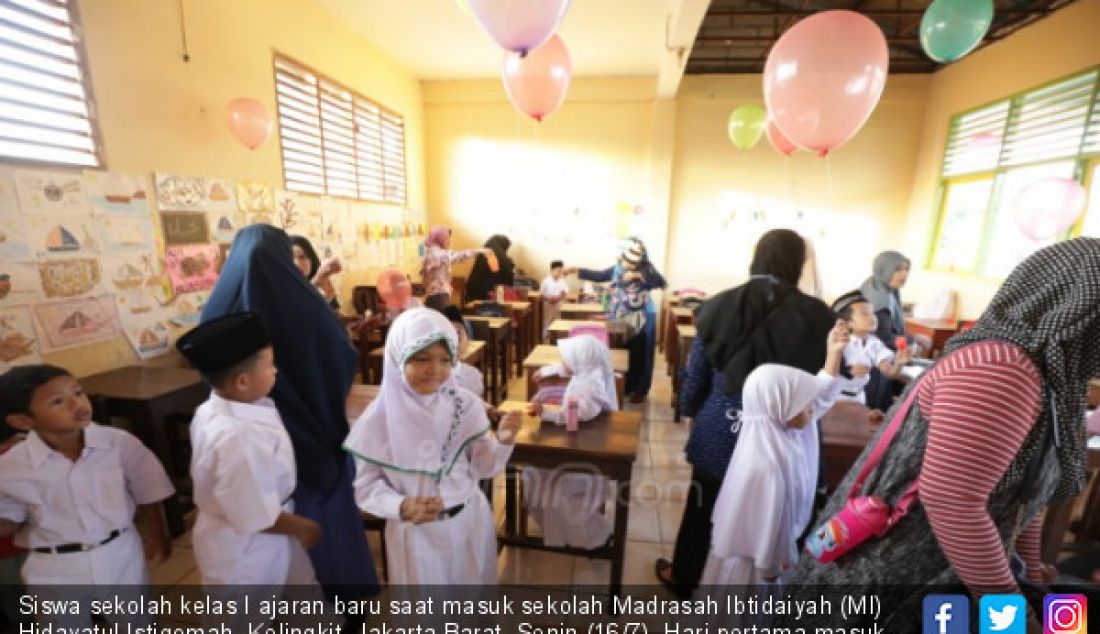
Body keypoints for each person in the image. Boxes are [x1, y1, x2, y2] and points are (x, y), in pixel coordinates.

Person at [791, 238, 1100, 632]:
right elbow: (953, 503)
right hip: (893, 581)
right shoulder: (1002, 368)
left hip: (946, 578)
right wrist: (1013, 620)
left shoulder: (1049, 374)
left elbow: (1027, 493)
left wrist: (1028, 569)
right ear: (1080, 309)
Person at [657, 229, 837, 596]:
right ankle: (763, 592)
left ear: (757, 255)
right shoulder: (818, 315)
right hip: (782, 432)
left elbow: (698, 372)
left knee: (702, 507)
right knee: (771, 513)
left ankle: (685, 577)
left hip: (721, 424)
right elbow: (817, 381)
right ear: (798, 262)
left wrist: (691, 410)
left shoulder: (718, 304)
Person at [202, 224, 379, 597]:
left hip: (247, 432)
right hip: (311, 435)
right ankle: (340, 598)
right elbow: (342, 358)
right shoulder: (302, 303)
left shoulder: (218, 307)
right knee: (320, 532)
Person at [344, 308, 521, 584]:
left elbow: (483, 468)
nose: (434, 370)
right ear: (397, 359)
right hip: (415, 535)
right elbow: (365, 486)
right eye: (421, 358)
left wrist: (504, 441)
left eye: (444, 359)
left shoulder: (465, 405)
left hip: (468, 523)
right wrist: (400, 505)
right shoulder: (379, 419)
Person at [0, 365, 173, 628]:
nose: (76, 404)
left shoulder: (118, 443)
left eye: (78, 393)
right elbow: (9, 519)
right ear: (23, 421)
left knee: (136, 621)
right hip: (54, 565)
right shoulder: (12, 466)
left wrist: (157, 534)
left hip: (120, 551)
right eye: (58, 401)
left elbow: (148, 489)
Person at [177, 312, 321, 588]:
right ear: (242, 381)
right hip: (246, 543)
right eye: (270, 366)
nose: (276, 371)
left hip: (271, 524)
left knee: (301, 596)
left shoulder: (218, 407)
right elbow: (252, 514)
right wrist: (305, 526)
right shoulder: (238, 438)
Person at [702, 355, 846, 587]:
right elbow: (766, 532)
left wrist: (834, 353)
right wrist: (774, 567)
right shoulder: (766, 468)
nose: (811, 409)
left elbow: (819, 400)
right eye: (804, 404)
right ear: (779, 405)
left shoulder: (782, 437)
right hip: (756, 571)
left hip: (769, 561)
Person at [524, 335, 619, 549]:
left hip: (587, 454)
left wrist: (546, 413)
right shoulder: (587, 371)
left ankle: (579, 535)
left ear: (580, 360)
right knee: (533, 472)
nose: (564, 363)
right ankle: (549, 525)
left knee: (551, 486)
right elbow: (567, 368)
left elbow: (576, 415)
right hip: (577, 442)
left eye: (568, 358)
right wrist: (551, 370)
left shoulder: (590, 386)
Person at [565, 238, 666, 403]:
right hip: (622, 315)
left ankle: (640, 390)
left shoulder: (646, 268)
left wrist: (638, 275)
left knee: (641, 354)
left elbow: (660, 282)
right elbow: (600, 275)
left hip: (643, 317)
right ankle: (624, 386)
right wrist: (576, 270)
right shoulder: (619, 267)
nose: (624, 260)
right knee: (622, 350)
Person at [859, 251, 928, 411]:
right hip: (875, 363)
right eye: (897, 269)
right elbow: (885, 338)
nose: (904, 274)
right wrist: (912, 340)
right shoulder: (879, 299)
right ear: (884, 269)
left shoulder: (881, 287)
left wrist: (912, 339)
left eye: (906, 269)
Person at [830, 290, 910, 411]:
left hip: (859, 397)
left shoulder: (874, 344)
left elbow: (890, 373)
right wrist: (847, 371)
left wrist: (899, 363)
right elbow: (824, 371)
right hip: (836, 397)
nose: (873, 318)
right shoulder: (837, 341)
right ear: (847, 322)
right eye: (865, 313)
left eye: (873, 313)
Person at [421, 226, 489, 310]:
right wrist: (478, 251)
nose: (449, 241)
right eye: (447, 238)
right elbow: (456, 256)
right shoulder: (436, 254)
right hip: (438, 296)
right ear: (440, 239)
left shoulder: (434, 253)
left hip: (437, 295)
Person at [290, 235, 341, 311]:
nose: (297, 263)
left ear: (312, 259)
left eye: (302, 257)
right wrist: (316, 282)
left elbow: (335, 315)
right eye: (291, 258)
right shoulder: (283, 290)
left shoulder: (324, 282)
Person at [465, 234, 515, 302]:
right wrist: (510, 263)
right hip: (489, 296)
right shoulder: (499, 256)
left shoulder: (484, 253)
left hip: (474, 293)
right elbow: (506, 272)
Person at [540, 260, 570, 338]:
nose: (559, 273)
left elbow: (564, 293)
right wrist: (549, 299)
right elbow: (542, 294)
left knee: (557, 321)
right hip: (548, 305)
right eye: (557, 271)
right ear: (552, 270)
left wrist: (558, 298)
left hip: (558, 304)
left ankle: (556, 337)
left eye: (561, 271)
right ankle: (545, 338)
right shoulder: (546, 281)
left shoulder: (562, 281)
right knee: (546, 322)